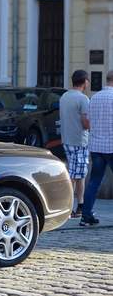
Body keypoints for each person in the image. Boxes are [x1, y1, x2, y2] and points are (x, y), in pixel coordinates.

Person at [81, 70, 113, 226]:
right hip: (111, 145)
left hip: (96, 146)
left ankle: (86, 215)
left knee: (94, 181)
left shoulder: (94, 98)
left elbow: (88, 121)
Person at [60, 70, 90, 218]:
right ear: (84, 81)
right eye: (88, 81)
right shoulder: (83, 99)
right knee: (77, 175)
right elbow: (85, 123)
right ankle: (73, 208)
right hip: (79, 140)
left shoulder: (64, 96)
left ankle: (78, 206)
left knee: (75, 173)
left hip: (66, 139)